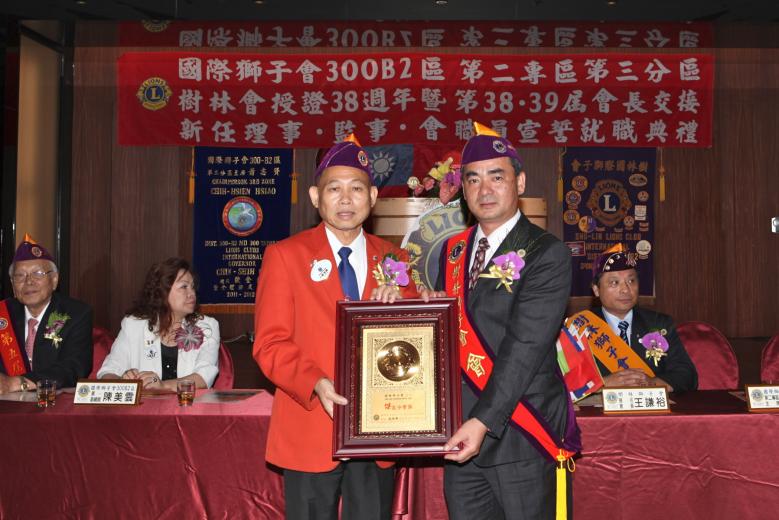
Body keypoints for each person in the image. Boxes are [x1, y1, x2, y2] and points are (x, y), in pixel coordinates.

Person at [253, 134, 417, 520]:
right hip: (311, 422)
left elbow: (416, 340)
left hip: (378, 429)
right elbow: (269, 343)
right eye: (334, 189)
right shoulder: (285, 256)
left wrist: (403, 303)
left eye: (356, 188)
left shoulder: (394, 258)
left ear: (372, 197)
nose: (346, 199)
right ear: (315, 197)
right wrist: (315, 382)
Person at [425, 123, 579, 519]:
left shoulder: (546, 253)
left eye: (497, 177)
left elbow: (525, 348)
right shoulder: (452, 251)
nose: (485, 190)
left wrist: (482, 422)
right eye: (473, 179)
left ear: (520, 182)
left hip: (521, 431)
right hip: (461, 432)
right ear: (463, 190)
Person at [570, 243, 697, 392]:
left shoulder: (659, 323)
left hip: (649, 405)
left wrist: (652, 384)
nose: (625, 289)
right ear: (596, 290)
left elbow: (688, 376)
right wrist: (603, 384)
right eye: (614, 282)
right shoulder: (579, 328)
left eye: (631, 281)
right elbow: (565, 381)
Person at [97, 257, 220, 389]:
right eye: (184, 286)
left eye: (193, 287)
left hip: (188, 401)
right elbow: (108, 372)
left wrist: (163, 386)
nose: (192, 293)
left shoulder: (207, 326)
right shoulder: (133, 325)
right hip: (144, 402)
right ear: (162, 292)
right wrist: (124, 381)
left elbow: (204, 377)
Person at [0, 234, 93, 393]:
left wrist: (18, 383)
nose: (29, 282)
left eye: (37, 273)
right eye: (20, 275)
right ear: (12, 284)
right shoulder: (3, 313)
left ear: (54, 280)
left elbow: (74, 367)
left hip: (53, 401)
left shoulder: (76, 313)